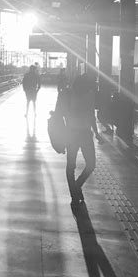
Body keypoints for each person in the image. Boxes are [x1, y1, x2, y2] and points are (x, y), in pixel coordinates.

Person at [57, 73, 102, 211]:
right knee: (73, 165)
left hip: (82, 133)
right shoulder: (66, 93)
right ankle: (74, 195)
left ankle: (76, 187)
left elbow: (91, 115)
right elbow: (58, 115)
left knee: (90, 165)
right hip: (73, 133)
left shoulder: (89, 93)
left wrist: (97, 133)